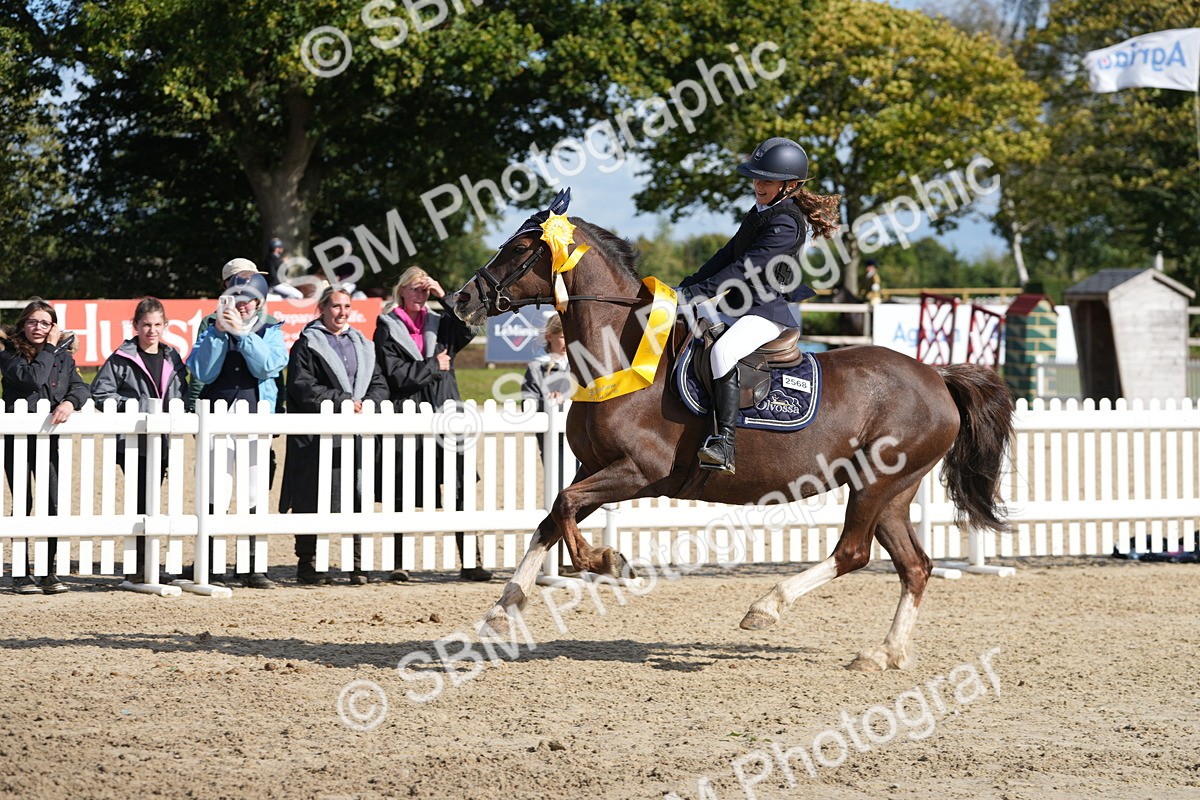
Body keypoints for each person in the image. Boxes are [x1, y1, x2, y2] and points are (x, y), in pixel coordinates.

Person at [676, 136, 841, 474]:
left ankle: (725, 444)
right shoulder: (760, 213)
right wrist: (685, 287)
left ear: (789, 185)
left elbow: (745, 267)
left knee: (722, 353)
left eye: (766, 180)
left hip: (765, 313)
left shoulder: (786, 222)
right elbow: (726, 255)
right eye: (756, 178)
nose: (758, 185)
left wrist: (701, 292)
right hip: (738, 308)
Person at [374, 265, 492, 582]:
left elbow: (469, 327)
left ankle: (471, 561)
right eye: (416, 288)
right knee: (404, 490)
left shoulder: (440, 323)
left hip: (445, 411)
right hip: (408, 413)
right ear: (401, 291)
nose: (421, 294)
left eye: (425, 290)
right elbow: (395, 374)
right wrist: (433, 364)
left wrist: (444, 295)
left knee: (460, 488)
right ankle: (400, 563)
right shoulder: (387, 326)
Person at [187, 259, 288, 588]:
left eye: (249, 296)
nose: (242, 303)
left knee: (254, 488)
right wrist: (219, 331)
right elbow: (203, 372)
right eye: (236, 294)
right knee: (216, 487)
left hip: (256, 413)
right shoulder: (209, 325)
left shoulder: (270, 327)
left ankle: (252, 565)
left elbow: (269, 366)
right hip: (219, 414)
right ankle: (211, 561)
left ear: (259, 299)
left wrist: (243, 334)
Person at [280, 286, 389, 586]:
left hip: (356, 432)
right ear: (323, 309)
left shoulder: (363, 344)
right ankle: (309, 564)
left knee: (359, 496)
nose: (342, 312)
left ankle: (358, 564)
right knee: (313, 497)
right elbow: (302, 386)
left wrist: (368, 404)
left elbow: (378, 382)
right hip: (317, 436)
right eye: (335, 306)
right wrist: (341, 401)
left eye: (346, 306)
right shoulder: (307, 344)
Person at [91, 297, 189, 584]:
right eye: (146, 324)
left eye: (158, 324)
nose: (152, 330)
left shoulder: (172, 357)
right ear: (135, 325)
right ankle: (138, 567)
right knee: (140, 502)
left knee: (152, 501)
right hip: (132, 443)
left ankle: (148, 564)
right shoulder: (122, 357)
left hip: (163, 441)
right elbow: (100, 392)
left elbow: (180, 393)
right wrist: (136, 406)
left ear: (166, 326)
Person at [0, 300, 90, 594]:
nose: (38, 328)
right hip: (19, 439)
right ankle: (21, 573)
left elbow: (80, 386)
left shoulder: (64, 358)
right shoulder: (9, 353)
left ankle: (47, 571)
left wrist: (69, 402)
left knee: (53, 503)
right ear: (23, 324)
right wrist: (51, 348)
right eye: (33, 322)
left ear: (53, 326)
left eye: (45, 323)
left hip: (49, 439)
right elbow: (33, 377)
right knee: (23, 503)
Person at [520, 314, 572, 411]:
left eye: (571, 337)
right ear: (549, 337)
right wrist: (549, 400)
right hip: (548, 423)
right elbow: (527, 403)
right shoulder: (536, 367)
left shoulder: (578, 364)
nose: (568, 341)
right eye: (563, 337)